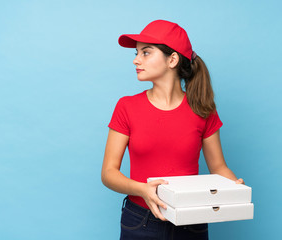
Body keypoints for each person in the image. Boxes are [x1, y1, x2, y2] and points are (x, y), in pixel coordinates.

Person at [101, 19, 244, 240]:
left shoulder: (203, 109)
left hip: (192, 221)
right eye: (136, 53)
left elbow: (219, 167)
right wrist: (142, 190)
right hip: (141, 221)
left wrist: (235, 188)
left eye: (146, 53)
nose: (136, 60)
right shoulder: (126, 107)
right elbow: (109, 173)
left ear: (173, 59)